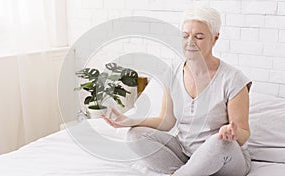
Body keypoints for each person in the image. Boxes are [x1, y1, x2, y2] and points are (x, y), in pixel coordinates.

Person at [101, 6, 252, 176]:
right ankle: (190, 171)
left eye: (199, 37)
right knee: (135, 135)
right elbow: (166, 121)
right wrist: (130, 121)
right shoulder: (173, 71)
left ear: (215, 38)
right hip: (185, 153)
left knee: (219, 142)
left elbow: (244, 135)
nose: (190, 42)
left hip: (226, 158)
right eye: (185, 36)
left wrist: (231, 132)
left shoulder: (233, 78)